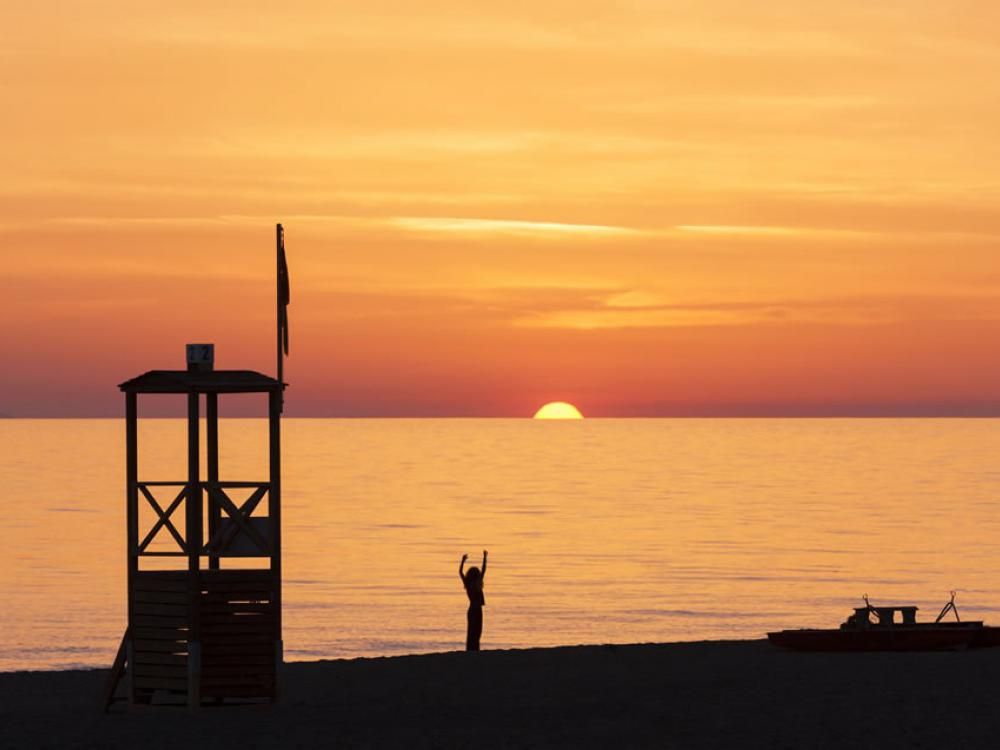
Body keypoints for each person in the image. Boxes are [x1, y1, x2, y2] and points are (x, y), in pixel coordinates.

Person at [459, 550, 488, 651]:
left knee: (471, 631)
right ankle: (475, 649)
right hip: (477, 610)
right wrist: (485, 558)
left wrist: (462, 561)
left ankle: (470, 649)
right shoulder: (476, 585)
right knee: (477, 632)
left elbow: (460, 573)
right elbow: (484, 570)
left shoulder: (468, 584)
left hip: (471, 610)